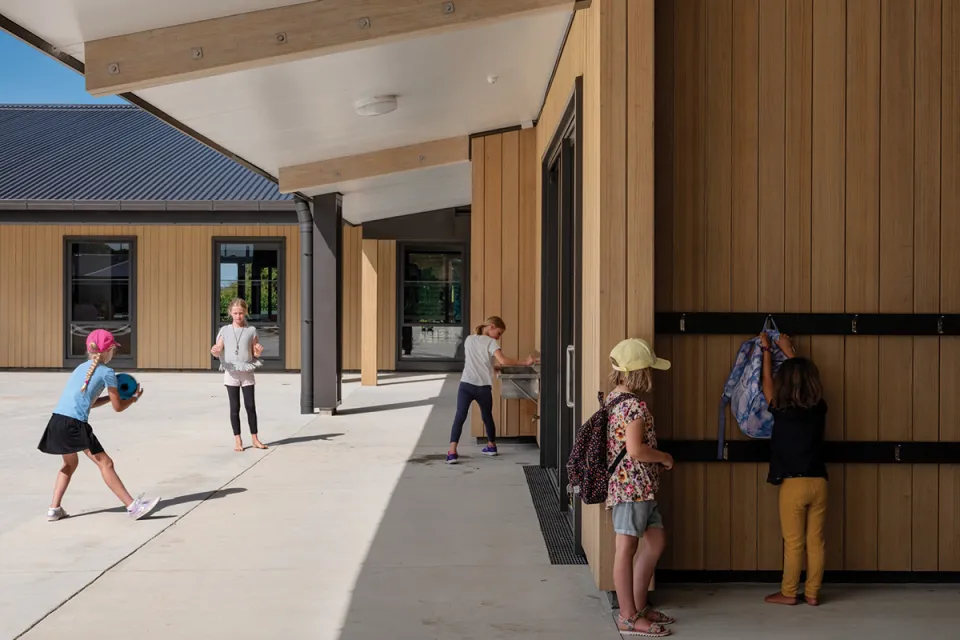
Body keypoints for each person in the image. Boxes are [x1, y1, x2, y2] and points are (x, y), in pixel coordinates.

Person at [37, 329, 160, 521]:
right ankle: (133, 507)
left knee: (69, 463)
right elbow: (118, 407)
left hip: (57, 420)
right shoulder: (107, 372)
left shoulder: (80, 368)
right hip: (74, 424)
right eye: (113, 350)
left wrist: (110, 398)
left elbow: (90, 402)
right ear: (109, 351)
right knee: (105, 463)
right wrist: (133, 399)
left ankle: (54, 509)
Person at [606, 338, 675, 637]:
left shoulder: (613, 399)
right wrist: (664, 457)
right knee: (626, 549)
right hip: (631, 489)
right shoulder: (633, 406)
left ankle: (639, 605)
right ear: (640, 372)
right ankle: (628, 616)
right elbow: (635, 450)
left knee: (655, 541)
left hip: (640, 489)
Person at [760, 332, 828, 607]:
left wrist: (767, 351)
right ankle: (812, 593)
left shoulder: (781, 408)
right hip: (819, 481)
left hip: (794, 485)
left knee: (794, 542)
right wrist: (789, 350)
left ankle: (789, 592)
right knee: (816, 541)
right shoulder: (820, 408)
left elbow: (767, 383)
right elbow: (803, 380)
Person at [446, 316, 535, 464]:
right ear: (492, 326)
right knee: (487, 416)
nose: (499, 337)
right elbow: (503, 360)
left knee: (460, 416)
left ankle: (452, 452)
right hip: (483, 388)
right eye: (499, 333)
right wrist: (525, 362)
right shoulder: (491, 342)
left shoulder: (469, 339)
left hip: (466, 385)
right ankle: (491, 446)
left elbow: (476, 361)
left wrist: (493, 367)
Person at [211, 298, 266, 452]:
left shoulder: (251, 330)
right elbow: (218, 349)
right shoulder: (225, 330)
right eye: (235, 313)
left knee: (250, 406)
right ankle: (238, 440)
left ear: (245, 312)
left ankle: (255, 439)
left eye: (241, 313)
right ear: (230, 313)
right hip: (231, 373)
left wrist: (258, 352)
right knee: (234, 407)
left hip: (247, 372)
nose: (238, 316)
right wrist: (215, 351)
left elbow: (254, 352)